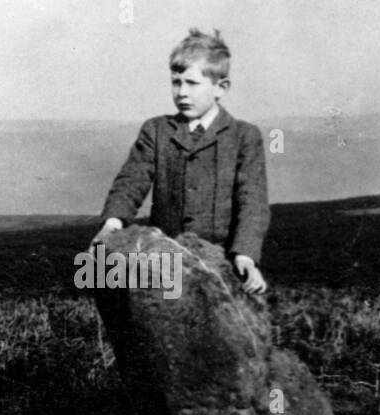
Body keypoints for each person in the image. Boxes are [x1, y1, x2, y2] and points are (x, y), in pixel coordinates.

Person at [91, 27, 270, 295]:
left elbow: (252, 202)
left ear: (221, 88)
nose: (182, 92)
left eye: (192, 83)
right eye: (176, 82)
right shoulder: (157, 130)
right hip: (164, 262)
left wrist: (245, 255)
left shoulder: (244, 136)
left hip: (221, 264)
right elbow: (132, 181)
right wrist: (113, 223)